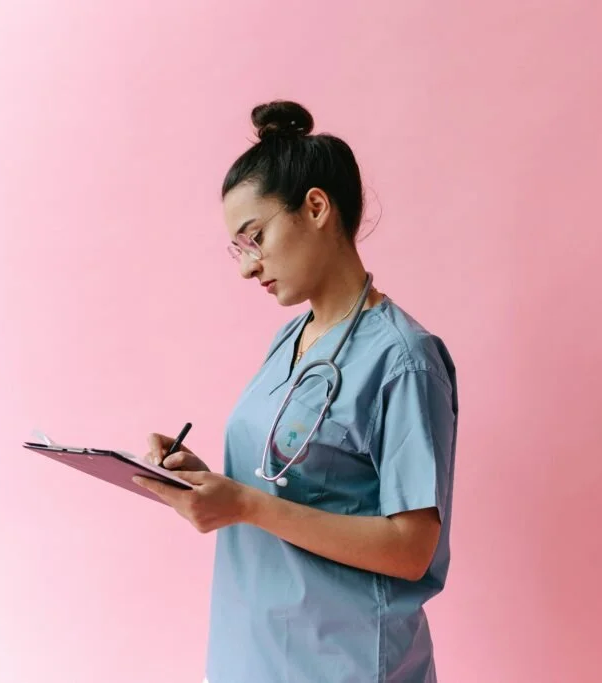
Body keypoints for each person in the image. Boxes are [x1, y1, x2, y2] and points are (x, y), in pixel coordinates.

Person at [133, 100, 459, 683]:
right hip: (252, 652)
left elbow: (412, 550)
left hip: (344, 661)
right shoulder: (291, 339)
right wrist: (207, 484)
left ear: (315, 208)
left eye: (254, 237)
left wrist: (247, 504)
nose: (247, 268)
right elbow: (286, 483)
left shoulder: (404, 361)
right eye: (238, 249)